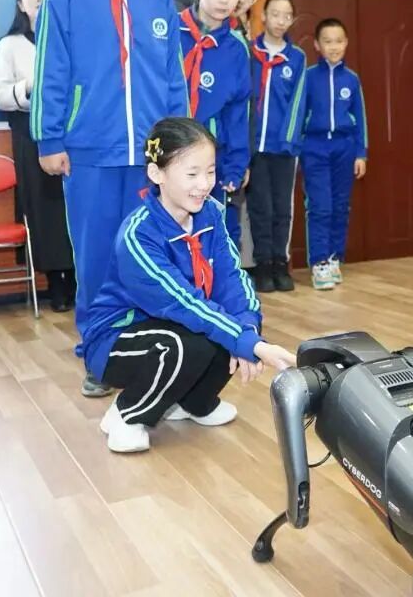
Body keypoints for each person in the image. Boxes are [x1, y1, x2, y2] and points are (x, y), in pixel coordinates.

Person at [30, 0, 189, 396]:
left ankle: (148, 352)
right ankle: (100, 355)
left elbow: (172, 78)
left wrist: (180, 147)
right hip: (89, 153)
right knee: (98, 257)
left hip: (150, 157)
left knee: (148, 254)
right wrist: (50, 139)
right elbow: (52, 67)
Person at [83, 118, 295, 453]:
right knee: (187, 343)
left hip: (174, 325)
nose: (204, 184)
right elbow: (183, 303)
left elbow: (233, 279)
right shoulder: (139, 234)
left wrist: (248, 331)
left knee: (232, 325)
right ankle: (127, 413)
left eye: (210, 172)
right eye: (192, 174)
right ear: (157, 174)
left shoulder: (211, 214)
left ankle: (193, 402)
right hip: (116, 340)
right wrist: (251, 345)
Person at [0, 0, 76, 312]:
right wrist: (27, 87)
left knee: (74, 208)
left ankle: (81, 279)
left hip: (71, 131)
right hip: (30, 133)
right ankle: (57, 285)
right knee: (45, 210)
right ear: (20, 3)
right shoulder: (10, 45)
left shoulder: (69, 37)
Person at [179, 0, 251, 248]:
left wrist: (237, 164)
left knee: (214, 233)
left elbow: (238, 113)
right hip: (168, 153)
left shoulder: (236, 48)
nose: (224, 0)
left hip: (212, 158)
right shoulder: (170, 33)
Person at [301, 18, 367, 290]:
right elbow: (299, 114)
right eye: (327, 41)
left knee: (340, 206)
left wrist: (361, 153)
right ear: (317, 45)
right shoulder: (308, 77)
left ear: (346, 43)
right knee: (320, 206)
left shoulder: (351, 79)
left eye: (339, 41)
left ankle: (334, 258)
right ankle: (319, 263)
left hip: (344, 148)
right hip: (314, 148)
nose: (334, 46)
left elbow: (361, 118)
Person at [247, 0, 306, 293]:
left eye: (287, 16)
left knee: (283, 208)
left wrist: (288, 139)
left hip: (284, 148)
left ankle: (281, 263)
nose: (281, 21)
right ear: (264, 16)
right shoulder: (249, 52)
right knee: (261, 208)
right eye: (275, 14)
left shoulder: (296, 58)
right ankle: (263, 265)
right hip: (255, 147)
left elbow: (298, 102)